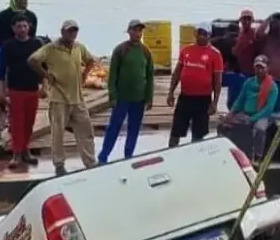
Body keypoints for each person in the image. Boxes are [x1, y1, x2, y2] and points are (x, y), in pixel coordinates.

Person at [28, 20, 97, 176]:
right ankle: (59, 165)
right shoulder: (51, 48)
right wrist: (46, 75)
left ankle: (90, 162)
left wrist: (85, 75)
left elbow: (91, 60)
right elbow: (32, 60)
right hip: (58, 98)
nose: (72, 34)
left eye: (74, 31)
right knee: (57, 134)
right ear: (62, 32)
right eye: (69, 31)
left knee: (86, 131)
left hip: (78, 98)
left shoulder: (79, 47)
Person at [98, 19, 154, 164]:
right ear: (129, 31)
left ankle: (128, 156)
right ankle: (103, 156)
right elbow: (113, 75)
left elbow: (149, 76)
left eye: (140, 30)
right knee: (114, 127)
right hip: (122, 97)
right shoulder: (120, 49)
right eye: (134, 30)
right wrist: (113, 95)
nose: (137, 33)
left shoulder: (146, 52)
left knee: (134, 128)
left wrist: (149, 98)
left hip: (139, 98)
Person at [0, 0, 39, 142]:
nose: (22, 1)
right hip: (9, 55)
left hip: (26, 58)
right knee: (3, 93)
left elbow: (33, 36)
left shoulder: (31, 17)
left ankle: (16, 126)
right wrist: (7, 45)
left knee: (23, 94)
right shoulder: (5, 16)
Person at [0, 13, 45, 170]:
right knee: (16, 122)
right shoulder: (8, 46)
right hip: (16, 89)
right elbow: (1, 70)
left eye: (25, 26)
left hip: (32, 89)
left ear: (29, 27)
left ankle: (26, 149)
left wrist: (45, 86)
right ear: (13, 28)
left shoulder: (37, 44)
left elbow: (43, 68)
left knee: (29, 122)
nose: (22, 29)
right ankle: (16, 153)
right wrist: (1, 92)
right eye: (19, 26)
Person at [167, 22, 223, 147]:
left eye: (204, 34)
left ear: (209, 35)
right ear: (195, 33)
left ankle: (196, 157)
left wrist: (215, 102)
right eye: (199, 33)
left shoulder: (215, 54)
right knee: (176, 130)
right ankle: (171, 154)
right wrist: (170, 92)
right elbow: (177, 72)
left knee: (199, 134)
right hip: (185, 97)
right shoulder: (186, 50)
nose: (201, 36)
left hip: (203, 100)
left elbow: (217, 80)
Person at [219, 55, 278, 162]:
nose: (259, 70)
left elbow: (269, 108)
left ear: (267, 68)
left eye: (261, 67)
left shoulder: (272, 86)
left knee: (259, 129)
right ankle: (227, 153)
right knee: (224, 124)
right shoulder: (249, 82)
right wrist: (230, 114)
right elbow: (240, 100)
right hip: (245, 113)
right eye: (257, 67)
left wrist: (252, 119)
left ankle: (258, 156)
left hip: (261, 116)